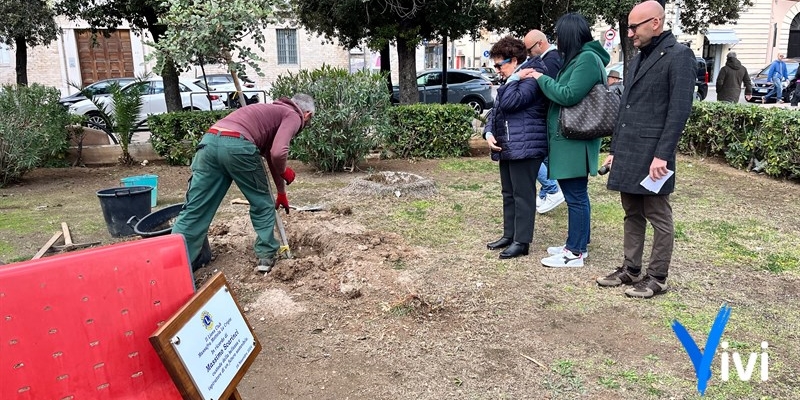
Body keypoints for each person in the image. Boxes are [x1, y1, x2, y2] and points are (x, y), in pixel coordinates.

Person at [596, 1, 695, 298]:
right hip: (629, 150)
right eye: (629, 27)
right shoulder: (638, 57)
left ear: (655, 23)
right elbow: (626, 108)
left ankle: (658, 277)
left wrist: (662, 155)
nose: (629, 33)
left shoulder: (680, 56)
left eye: (634, 27)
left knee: (657, 214)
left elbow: (678, 111)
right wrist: (615, 149)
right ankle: (631, 269)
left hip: (654, 154)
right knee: (631, 211)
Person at [172, 94, 315, 273]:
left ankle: (174, 266)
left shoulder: (269, 111)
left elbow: (272, 156)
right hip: (237, 146)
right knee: (262, 203)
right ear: (307, 114)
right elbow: (279, 153)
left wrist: (281, 192)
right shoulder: (293, 115)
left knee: (195, 208)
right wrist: (285, 170)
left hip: (209, 143)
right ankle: (266, 255)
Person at [520, 13, 608, 268]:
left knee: (576, 196)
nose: (557, 40)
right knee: (576, 195)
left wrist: (539, 77)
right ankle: (578, 242)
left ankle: (575, 252)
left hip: (575, 139)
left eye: (560, 35)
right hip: (571, 139)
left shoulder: (587, 60)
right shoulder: (581, 59)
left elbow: (568, 95)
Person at [483, 36, 549, 259]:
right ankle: (509, 235)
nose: (497, 70)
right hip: (510, 144)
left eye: (498, 64)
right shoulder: (515, 78)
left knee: (523, 194)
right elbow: (496, 110)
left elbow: (510, 103)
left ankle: (522, 241)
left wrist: (513, 80)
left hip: (527, 145)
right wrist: (489, 132)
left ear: (513, 60)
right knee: (509, 192)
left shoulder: (531, 76)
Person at [524, 29, 565, 214]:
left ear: (540, 44)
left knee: (538, 156)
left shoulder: (550, 61)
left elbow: (550, 90)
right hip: (547, 116)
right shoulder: (553, 59)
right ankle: (546, 193)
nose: (529, 54)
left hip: (547, 116)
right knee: (546, 157)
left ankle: (552, 189)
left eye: (529, 49)